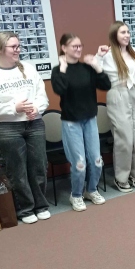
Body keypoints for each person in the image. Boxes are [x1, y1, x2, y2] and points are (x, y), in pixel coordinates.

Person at [0, 31, 50, 224]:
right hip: (8, 128)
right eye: (13, 47)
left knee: (39, 166)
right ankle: (26, 210)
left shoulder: (28, 68)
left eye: (19, 46)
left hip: (34, 124)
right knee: (17, 171)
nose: (18, 50)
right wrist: (14, 108)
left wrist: (37, 108)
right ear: (0, 49)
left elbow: (42, 96)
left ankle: (41, 206)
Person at [51, 33, 111, 211]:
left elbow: (106, 85)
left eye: (80, 46)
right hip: (71, 122)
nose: (78, 49)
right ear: (64, 48)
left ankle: (91, 190)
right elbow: (59, 89)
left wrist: (97, 66)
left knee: (97, 161)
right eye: (74, 46)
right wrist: (63, 68)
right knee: (80, 164)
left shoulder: (87, 68)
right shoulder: (58, 70)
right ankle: (76, 195)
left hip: (90, 120)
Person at [96, 22, 135, 192]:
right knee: (124, 140)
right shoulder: (108, 55)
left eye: (128, 32)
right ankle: (121, 177)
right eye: (123, 32)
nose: (127, 35)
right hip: (117, 94)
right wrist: (98, 57)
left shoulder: (134, 52)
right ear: (115, 35)